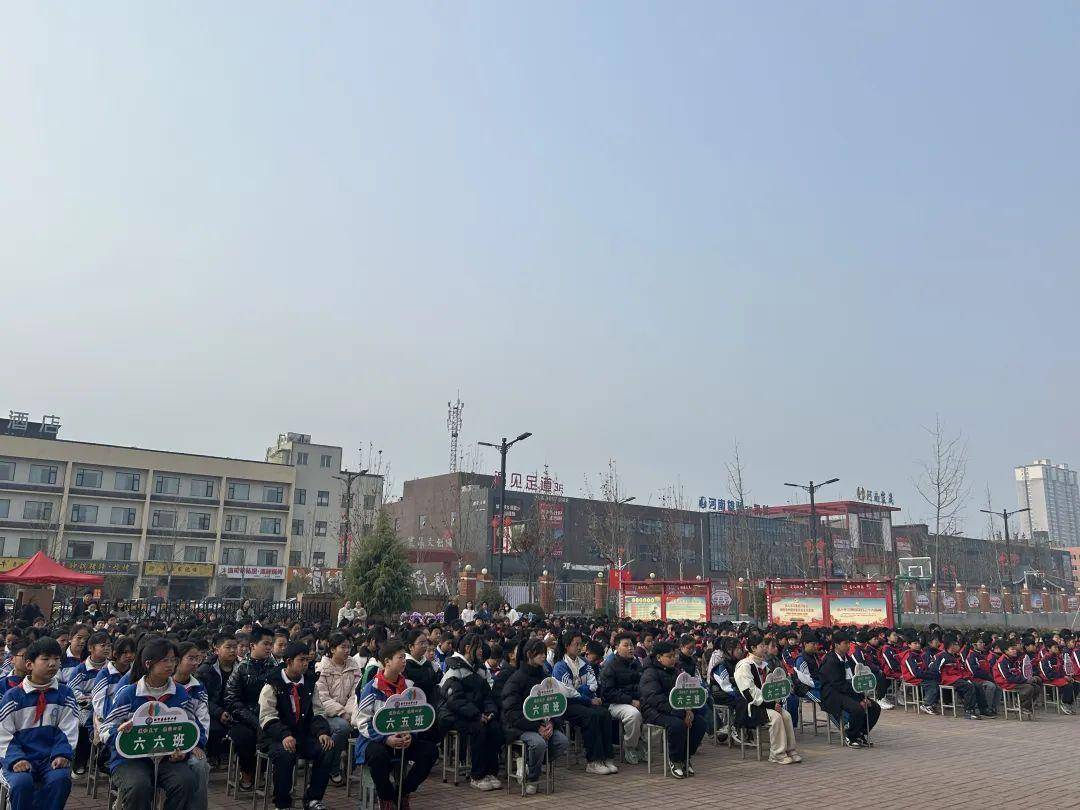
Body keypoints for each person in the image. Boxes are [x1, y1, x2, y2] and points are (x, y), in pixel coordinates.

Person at [102, 638, 201, 810]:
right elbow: (106, 727)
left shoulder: (181, 694)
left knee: (186, 782)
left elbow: (190, 726)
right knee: (139, 786)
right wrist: (119, 732)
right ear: (148, 664)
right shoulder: (129, 694)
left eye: (173, 660)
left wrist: (183, 752)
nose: (171, 665)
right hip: (130, 759)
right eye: (165, 660)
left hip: (167, 759)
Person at [354, 640, 438, 810]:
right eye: (400, 657)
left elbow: (414, 716)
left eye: (404, 657)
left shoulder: (409, 687)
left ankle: (403, 792)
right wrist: (385, 739)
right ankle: (386, 798)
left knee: (430, 751)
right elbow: (362, 722)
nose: (404, 661)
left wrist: (410, 735)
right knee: (377, 756)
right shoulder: (372, 688)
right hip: (376, 741)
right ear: (387, 662)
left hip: (402, 739)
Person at [0, 637, 79, 810]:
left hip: (50, 757)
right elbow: (3, 732)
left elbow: (69, 728)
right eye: (45, 659)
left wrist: (61, 754)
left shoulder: (65, 695)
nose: (52, 663)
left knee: (60, 779)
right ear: (29, 664)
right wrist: (16, 759)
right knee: (21, 783)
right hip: (20, 756)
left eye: (56, 659)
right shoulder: (13, 697)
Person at [258, 642, 335, 810]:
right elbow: (267, 716)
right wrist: (284, 734)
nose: (305, 664)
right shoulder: (273, 683)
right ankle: (282, 803)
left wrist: (322, 732)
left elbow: (318, 711)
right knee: (285, 754)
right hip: (276, 737)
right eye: (301, 660)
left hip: (302, 734)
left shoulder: (309, 683)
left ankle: (313, 798)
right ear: (289, 661)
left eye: (307, 660)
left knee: (326, 748)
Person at [501, 639, 570, 795]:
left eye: (545, 653)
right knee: (538, 743)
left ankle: (529, 764)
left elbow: (555, 704)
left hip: (543, 725)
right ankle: (532, 778)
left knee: (562, 742)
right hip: (520, 727)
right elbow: (511, 712)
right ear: (529, 654)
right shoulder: (516, 679)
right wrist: (536, 727)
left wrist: (552, 723)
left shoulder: (545, 677)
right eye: (540, 653)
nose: (544, 656)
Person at [438, 634, 503, 791]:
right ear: (468, 648)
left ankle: (490, 772)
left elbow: (487, 695)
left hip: (477, 714)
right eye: (478, 647)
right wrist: (476, 714)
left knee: (495, 727)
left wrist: (490, 711)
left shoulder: (480, 668)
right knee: (479, 729)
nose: (482, 651)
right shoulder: (454, 668)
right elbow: (455, 699)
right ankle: (477, 775)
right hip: (454, 715)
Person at [640, 641, 706, 778]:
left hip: (678, 709)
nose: (673, 659)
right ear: (659, 657)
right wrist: (681, 713)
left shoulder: (677, 671)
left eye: (674, 655)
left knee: (700, 723)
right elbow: (655, 699)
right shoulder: (650, 673)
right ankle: (675, 760)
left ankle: (686, 757)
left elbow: (687, 693)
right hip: (654, 711)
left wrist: (689, 711)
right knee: (677, 725)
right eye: (669, 656)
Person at [225, 626, 276, 790]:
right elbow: (232, 699)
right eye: (265, 644)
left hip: (268, 714)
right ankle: (247, 772)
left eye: (271, 644)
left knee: (274, 734)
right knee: (245, 737)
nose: (269, 647)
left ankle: (262, 771)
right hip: (243, 718)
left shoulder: (274, 667)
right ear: (253, 645)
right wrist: (253, 719)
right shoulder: (241, 668)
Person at [314, 633, 360, 786]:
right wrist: (342, 712)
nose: (347, 650)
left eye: (349, 647)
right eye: (343, 647)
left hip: (349, 712)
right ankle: (332, 768)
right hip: (326, 713)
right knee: (342, 727)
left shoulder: (353, 666)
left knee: (360, 727)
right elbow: (322, 697)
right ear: (333, 649)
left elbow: (355, 693)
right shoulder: (322, 668)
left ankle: (350, 768)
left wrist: (349, 712)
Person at [819, 631, 879, 748]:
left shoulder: (847, 658)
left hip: (849, 691)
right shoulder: (830, 660)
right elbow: (838, 684)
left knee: (874, 707)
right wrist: (859, 699)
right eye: (845, 643)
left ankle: (860, 733)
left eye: (849, 643)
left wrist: (862, 697)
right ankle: (850, 736)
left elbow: (855, 679)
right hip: (833, 693)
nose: (848, 646)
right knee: (857, 708)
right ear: (836, 645)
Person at [173, 643, 210, 810]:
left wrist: (195, 743)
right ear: (177, 661)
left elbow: (203, 720)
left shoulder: (198, 688)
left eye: (197, 659)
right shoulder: (166, 684)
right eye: (190, 658)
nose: (195, 663)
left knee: (200, 765)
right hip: (165, 740)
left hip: (190, 742)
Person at [69, 630, 111, 775]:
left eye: (109, 645)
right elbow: (73, 691)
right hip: (85, 708)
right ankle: (80, 761)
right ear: (91, 648)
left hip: (106, 707)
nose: (106, 648)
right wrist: (89, 699)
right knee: (84, 724)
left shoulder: (111, 668)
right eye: (102, 645)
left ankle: (104, 759)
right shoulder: (80, 669)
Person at [599, 632, 645, 763]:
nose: (630, 648)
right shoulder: (610, 665)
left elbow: (642, 684)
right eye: (626, 645)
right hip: (615, 703)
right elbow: (608, 692)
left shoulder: (636, 663)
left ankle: (643, 744)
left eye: (632, 645)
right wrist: (630, 701)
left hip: (636, 700)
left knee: (655, 711)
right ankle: (630, 747)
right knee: (633, 715)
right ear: (617, 647)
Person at [196, 633, 239, 764]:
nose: (232, 650)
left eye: (235, 647)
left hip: (234, 709)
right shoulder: (205, 670)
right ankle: (213, 754)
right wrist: (219, 712)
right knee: (214, 728)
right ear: (216, 649)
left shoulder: (242, 668)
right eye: (228, 647)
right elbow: (201, 698)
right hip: (211, 710)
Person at [1037, 638, 1075, 714]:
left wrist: (1066, 676)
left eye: (1057, 647)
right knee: (1068, 684)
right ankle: (1064, 702)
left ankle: (1069, 702)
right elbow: (1048, 674)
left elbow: (1061, 669)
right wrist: (1063, 677)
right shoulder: (1045, 659)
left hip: (1058, 677)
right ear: (1048, 648)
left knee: (1074, 682)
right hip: (1049, 679)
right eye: (1055, 647)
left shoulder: (1057, 657)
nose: (1057, 649)